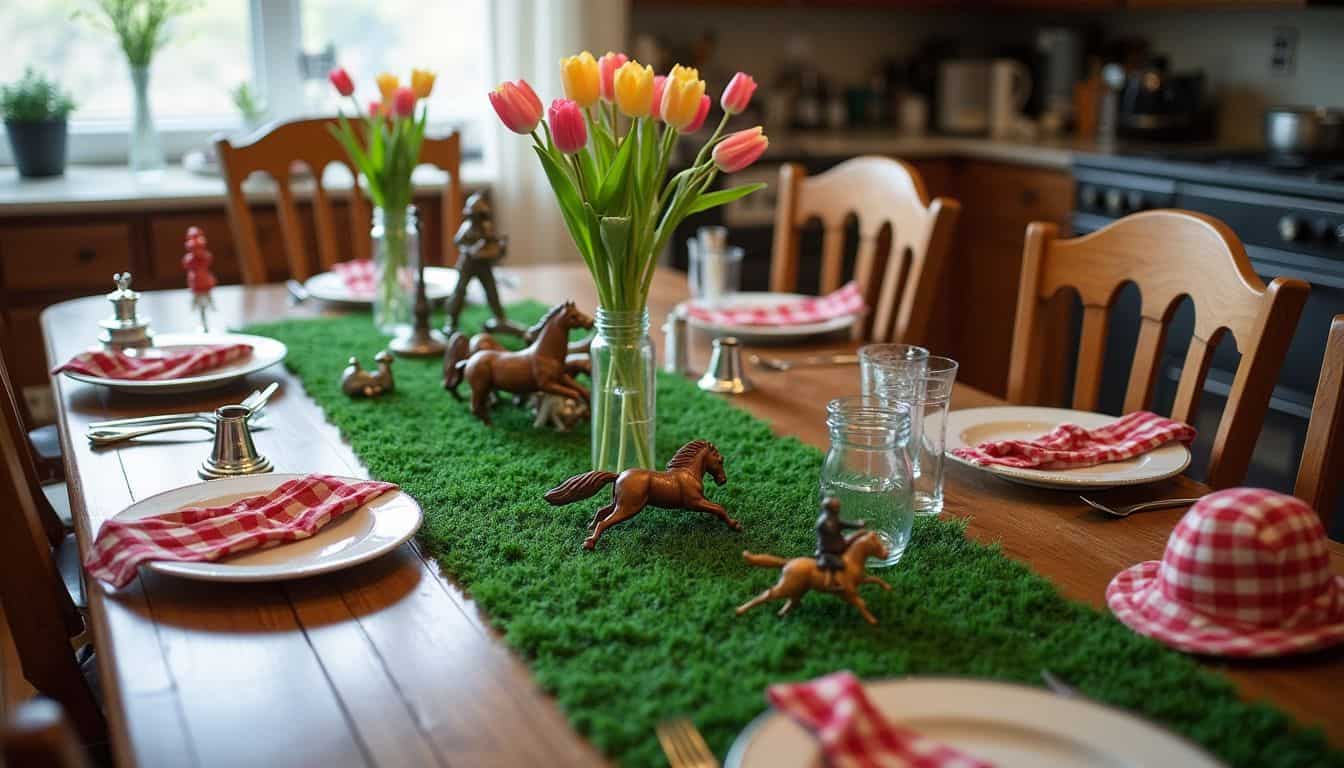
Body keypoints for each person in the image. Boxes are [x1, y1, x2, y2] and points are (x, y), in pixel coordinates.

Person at [443, 191, 526, 337]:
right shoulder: (467, 227)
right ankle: (452, 321)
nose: (480, 218)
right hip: (468, 265)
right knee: (460, 292)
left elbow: (493, 244)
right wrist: (473, 249)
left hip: (483, 265)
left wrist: (500, 246)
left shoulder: (487, 227)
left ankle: (500, 319)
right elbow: (458, 242)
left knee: (491, 291)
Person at [814, 496, 865, 588]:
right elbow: (836, 528)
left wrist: (858, 525)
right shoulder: (824, 523)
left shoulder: (833, 518)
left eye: (838, 507)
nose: (838, 510)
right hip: (828, 551)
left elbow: (844, 524)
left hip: (838, 546)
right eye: (836, 508)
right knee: (839, 565)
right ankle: (829, 583)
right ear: (830, 509)